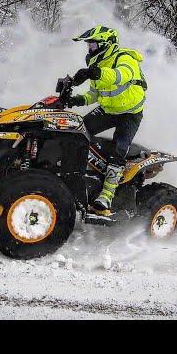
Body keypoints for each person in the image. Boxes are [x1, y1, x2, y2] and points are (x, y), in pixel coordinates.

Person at [67, 25, 147, 214]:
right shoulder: (98, 65)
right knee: (77, 130)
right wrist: (76, 100)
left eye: (93, 45)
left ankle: (106, 197)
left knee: (118, 150)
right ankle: (78, 174)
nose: (90, 49)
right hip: (108, 110)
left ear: (106, 44)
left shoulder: (125, 58)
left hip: (130, 113)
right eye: (89, 46)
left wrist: (93, 73)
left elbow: (120, 76)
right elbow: (94, 94)